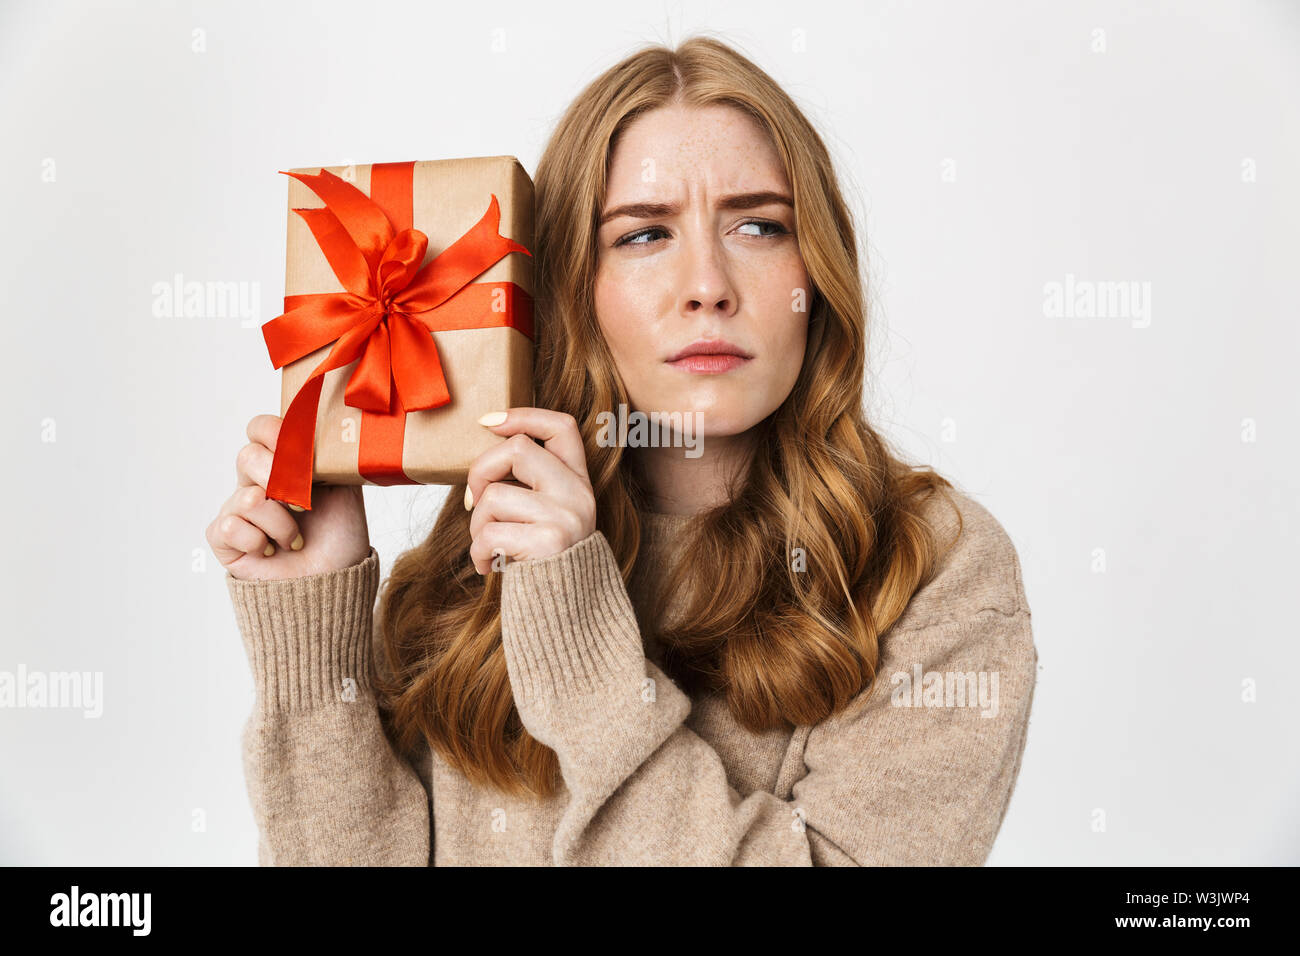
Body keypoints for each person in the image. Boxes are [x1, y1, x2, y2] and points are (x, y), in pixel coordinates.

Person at [206, 34, 1037, 866]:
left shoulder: (934, 569)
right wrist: (315, 649)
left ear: (815, 273)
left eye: (758, 225)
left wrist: (578, 649)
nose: (707, 284)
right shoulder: (467, 566)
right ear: (571, 284)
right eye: (643, 235)